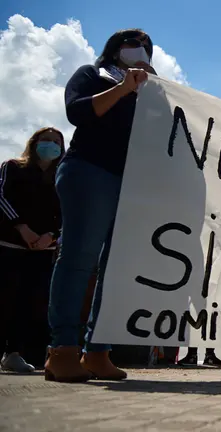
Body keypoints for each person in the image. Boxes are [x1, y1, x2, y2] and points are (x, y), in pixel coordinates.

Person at [46, 29, 157, 383]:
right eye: (131, 43)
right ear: (114, 49)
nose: (139, 50)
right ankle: (62, 349)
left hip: (130, 183)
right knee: (79, 259)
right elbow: (78, 112)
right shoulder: (92, 75)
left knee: (117, 269)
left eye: (145, 47)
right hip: (89, 171)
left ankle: (98, 351)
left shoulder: (154, 93)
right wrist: (125, 87)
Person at [0, 127, 65, 373]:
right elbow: (2, 196)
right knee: (4, 298)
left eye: (57, 142)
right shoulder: (13, 167)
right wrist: (21, 227)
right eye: (46, 140)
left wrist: (51, 236)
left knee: (29, 304)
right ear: (34, 143)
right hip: (9, 245)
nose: (51, 145)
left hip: (42, 251)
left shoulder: (61, 177)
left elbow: (67, 213)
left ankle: (14, 353)